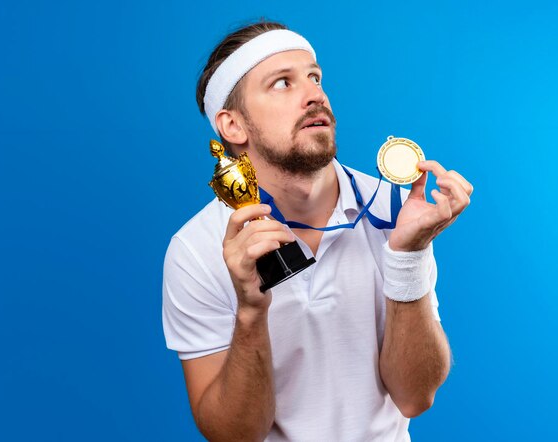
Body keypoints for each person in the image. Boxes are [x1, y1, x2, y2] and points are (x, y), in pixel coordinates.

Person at [163, 21, 473, 441]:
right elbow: (235, 436)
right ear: (232, 126)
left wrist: (408, 255)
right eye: (282, 84)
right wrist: (251, 311)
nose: (315, 95)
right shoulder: (197, 249)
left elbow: (415, 397)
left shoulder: (396, 212)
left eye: (314, 77)